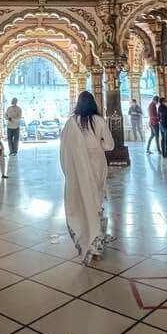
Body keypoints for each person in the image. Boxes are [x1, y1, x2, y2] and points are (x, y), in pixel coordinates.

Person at [59, 90, 114, 264]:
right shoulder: (99, 121)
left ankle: (86, 235)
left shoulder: (71, 122)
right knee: (96, 199)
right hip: (97, 162)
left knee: (83, 198)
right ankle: (96, 239)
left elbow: (65, 147)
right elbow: (110, 145)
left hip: (78, 166)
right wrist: (97, 146)